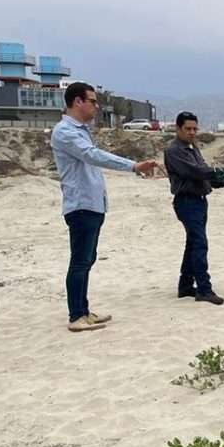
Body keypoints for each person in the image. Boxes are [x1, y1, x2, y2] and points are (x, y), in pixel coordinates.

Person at [51, 81, 157, 332]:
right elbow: (93, 155)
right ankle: (76, 315)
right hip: (81, 205)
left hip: (93, 204)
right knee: (80, 260)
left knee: (88, 259)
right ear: (78, 101)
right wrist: (133, 166)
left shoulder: (80, 129)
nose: (97, 106)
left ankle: (84, 310)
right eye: (93, 101)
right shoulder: (65, 131)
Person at [163, 112, 224, 305]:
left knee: (193, 244)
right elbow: (195, 172)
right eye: (188, 129)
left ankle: (185, 286)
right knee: (200, 244)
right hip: (187, 202)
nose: (192, 132)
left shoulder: (193, 149)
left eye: (195, 129)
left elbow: (204, 176)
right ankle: (204, 289)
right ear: (178, 129)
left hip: (200, 201)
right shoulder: (174, 151)